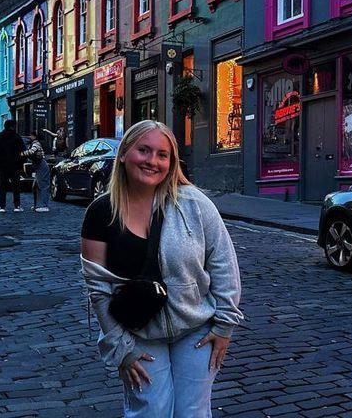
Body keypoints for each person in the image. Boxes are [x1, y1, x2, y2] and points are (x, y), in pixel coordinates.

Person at [81, 120, 242, 417]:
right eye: (143, 150)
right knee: (150, 411)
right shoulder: (101, 211)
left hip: (195, 329)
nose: (152, 161)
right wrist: (121, 347)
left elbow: (223, 262)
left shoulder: (195, 204)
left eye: (162, 154)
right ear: (124, 153)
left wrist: (225, 325)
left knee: (192, 412)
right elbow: (98, 288)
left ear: (171, 162)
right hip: (138, 332)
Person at [0, 119, 27, 213]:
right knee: (16, 186)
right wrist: (21, 161)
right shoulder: (16, 137)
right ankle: (17, 205)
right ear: (12, 126)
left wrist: (1, 154)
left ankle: (2, 206)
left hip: (2, 165)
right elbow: (23, 150)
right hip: (15, 165)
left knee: (3, 186)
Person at [26, 131, 50, 212]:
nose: (29, 137)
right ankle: (37, 204)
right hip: (39, 165)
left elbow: (31, 152)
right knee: (35, 186)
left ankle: (44, 205)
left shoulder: (36, 144)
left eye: (31, 135)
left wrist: (21, 153)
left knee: (43, 185)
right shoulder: (35, 143)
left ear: (34, 136)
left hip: (41, 165)